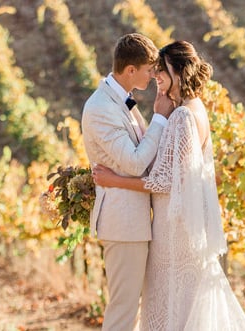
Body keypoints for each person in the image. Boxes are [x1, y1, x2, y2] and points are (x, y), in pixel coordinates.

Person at [93, 40, 245, 331]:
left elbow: (166, 180)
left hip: (173, 230)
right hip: (183, 225)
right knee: (186, 304)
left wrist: (113, 180)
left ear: (178, 73)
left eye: (162, 71)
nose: (156, 77)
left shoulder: (181, 116)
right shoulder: (195, 109)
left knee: (173, 307)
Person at [80, 33, 173, 331]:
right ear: (130, 70)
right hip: (123, 222)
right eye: (149, 69)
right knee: (123, 309)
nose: (153, 75)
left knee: (131, 309)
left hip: (134, 221)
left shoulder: (120, 101)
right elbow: (134, 163)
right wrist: (159, 119)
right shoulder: (101, 108)